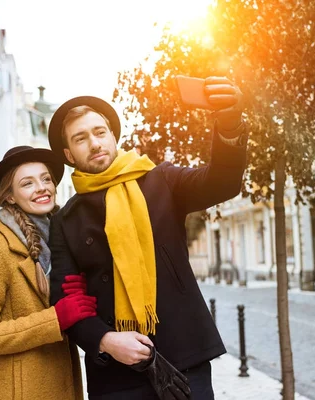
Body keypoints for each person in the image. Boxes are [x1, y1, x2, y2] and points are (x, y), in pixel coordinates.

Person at [48, 76, 249, 399]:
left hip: (184, 358)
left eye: (100, 132)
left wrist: (228, 123)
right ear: (69, 154)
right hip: (116, 372)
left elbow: (221, 182)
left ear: (113, 136)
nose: (95, 143)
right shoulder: (66, 220)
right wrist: (105, 340)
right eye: (81, 138)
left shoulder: (161, 181)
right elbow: (65, 297)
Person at [0, 145, 97, 400]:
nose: (42, 187)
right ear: (10, 196)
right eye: (27, 183)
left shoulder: (61, 240)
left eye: (46, 178)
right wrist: (54, 320)